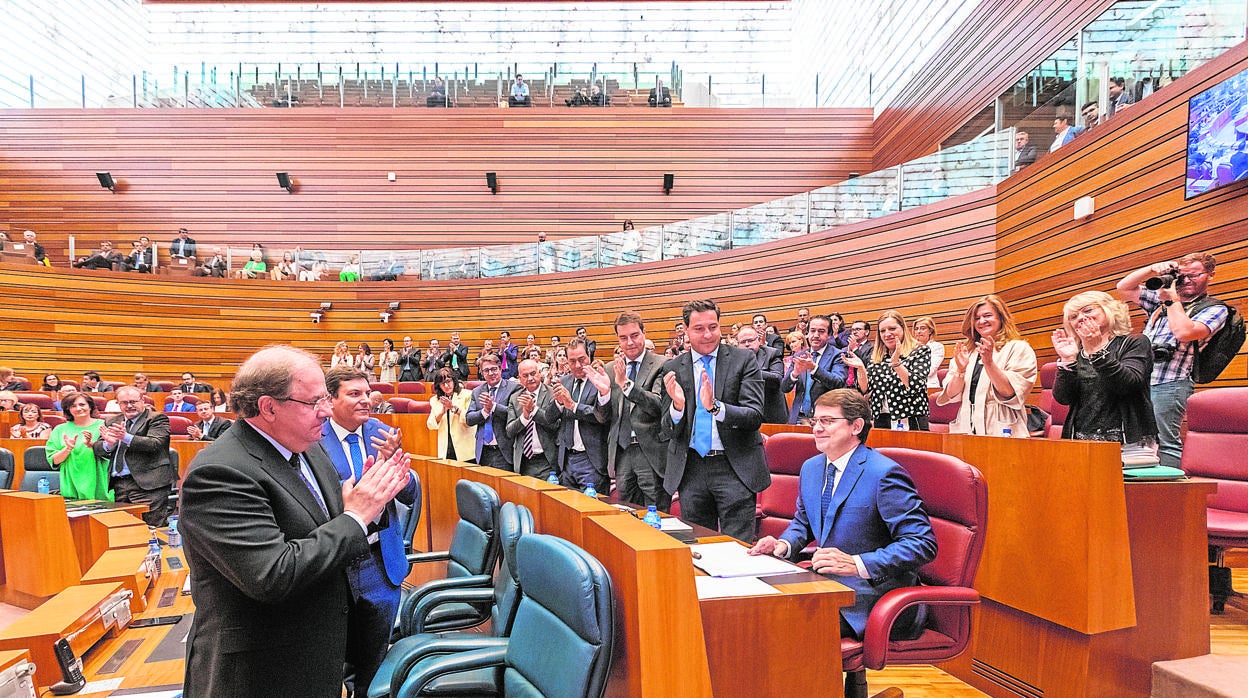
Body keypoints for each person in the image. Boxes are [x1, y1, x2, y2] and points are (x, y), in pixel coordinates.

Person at [179, 345, 411, 698]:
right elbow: (272, 573)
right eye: (314, 401)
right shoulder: (220, 473)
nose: (326, 410)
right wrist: (355, 516)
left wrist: (366, 505)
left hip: (317, 654)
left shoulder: (307, 448)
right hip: (263, 672)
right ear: (269, 407)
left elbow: (323, 529)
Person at [748, 389, 937, 641]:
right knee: (751, 609)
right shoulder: (812, 467)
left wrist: (857, 563)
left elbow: (922, 544)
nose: (816, 428)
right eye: (814, 421)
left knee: (781, 625)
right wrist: (783, 544)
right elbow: (803, 523)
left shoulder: (884, 474)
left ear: (856, 426)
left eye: (827, 421)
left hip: (875, 597)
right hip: (826, 584)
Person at [318, 365, 415, 695]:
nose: (365, 400)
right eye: (354, 394)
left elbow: (411, 492)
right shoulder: (314, 439)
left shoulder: (381, 432)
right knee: (336, 656)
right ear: (331, 400)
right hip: (337, 563)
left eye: (366, 393)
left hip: (380, 561)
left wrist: (394, 467)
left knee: (374, 662)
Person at [660, 299, 768, 542]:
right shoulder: (673, 367)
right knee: (699, 546)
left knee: (737, 549)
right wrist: (677, 407)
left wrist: (715, 407)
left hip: (734, 467)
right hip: (692, 469)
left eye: (713, 327)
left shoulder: (744, 360)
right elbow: (665, 428)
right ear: (686, 331)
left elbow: (754, 415)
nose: (707, 334)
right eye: (699, 329)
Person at [1116, 253, 1229, 467]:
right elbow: (1124, 287)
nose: (1186, 280)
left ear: (1210, 275)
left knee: (1165, 442)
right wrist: (1152, 269)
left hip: (1171, 383)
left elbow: (1184, 332)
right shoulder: (1159, 302)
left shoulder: (1214, 309)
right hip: (1142, 380)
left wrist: (1171, 300)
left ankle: (1169, 492)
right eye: (1182, 275)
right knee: (1136, 438)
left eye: (1194, 275)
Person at [1051, 291, 1157, 458]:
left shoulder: (1135, 343)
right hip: (1081, 442)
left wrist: (1097, 351)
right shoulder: (1077, 354)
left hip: (1128, 445)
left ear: (1109, 310)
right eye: (1073, 316)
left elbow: (1128, 384)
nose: (1080, 318)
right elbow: (1064, 398)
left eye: (1088, 310)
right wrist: (1068, 360)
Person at [936, 295, 1038, 437]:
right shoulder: (967, 352)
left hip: (1003, 429)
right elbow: (950, 394)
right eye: (977, 318)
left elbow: (1009, 392)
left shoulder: (1018, 348)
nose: (982, 321)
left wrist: (989, 363)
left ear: (1001, 318)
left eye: (987, 315)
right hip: (967, 427)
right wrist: (960, 371)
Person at [607, 312, 669, 509]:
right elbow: (604, 416)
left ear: (644, 333)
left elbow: (659, 405)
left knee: (655, 513)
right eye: (623, 338)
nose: (630, 342)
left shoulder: (662, 364)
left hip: (650, 451)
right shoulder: (611, 369)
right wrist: (601, 396)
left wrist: (627, 385)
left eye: (634, 335)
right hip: (623, 451)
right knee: (626, 512)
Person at [94, 385, 173, 525]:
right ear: (118, 403)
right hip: (120, 484)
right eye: (124, 403)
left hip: (149, 485)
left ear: (142, 400)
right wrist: (110, 444)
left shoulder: (157, 419)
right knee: (124, 529)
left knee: (152, 530)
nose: (129, 406)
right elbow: (98, 448)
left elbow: (155, 444)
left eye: (133, 401)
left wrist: (125, 437)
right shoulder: (112, 421)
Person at [543, 338, 613, 491]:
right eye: (572, 361)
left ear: (589, 356)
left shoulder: (600, 381)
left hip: (591, 460)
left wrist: (573, 406)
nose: (578, 366)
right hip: (566, 460)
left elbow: (601, 416)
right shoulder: (564, 381)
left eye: (582, 359)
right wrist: (559, 403)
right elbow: (549, 417)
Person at [844, 310, 932, 430]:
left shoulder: (920, 351)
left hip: (911, 417)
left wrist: (896, 364)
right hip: (882, 417)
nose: (887, 334)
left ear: (902, 328)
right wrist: (861, 369)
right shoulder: (877, 355)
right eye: (883, 331)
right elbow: (866, 389)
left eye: (892, 329)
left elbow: (915, 384)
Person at [781, 314, 848, 424]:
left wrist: (814, 369)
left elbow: (838, 383)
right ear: (807, 334)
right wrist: (795, 374)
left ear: (829, 335)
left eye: (821, 331)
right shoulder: (799, 356)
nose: (816, 335)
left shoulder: (838, 355)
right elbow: (784, 387)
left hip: (824, 419)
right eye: (812, 331)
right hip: (798, 418)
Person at [47, 392, 109, 500]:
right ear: (68, 410)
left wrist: (91, 445)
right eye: (73, 406)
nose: (78, 408)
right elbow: (54, 461)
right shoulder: (59, 429)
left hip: (100, 480)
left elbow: (112, 452)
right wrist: (68, 449)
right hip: (71, 483)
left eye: (82, 404)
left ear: (90, 406)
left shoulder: (104, 426)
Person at [506, 359, 560, 480]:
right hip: (524, 462)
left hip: (547, 460)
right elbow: (509, 431)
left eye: (533, 373)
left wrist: (534, 410)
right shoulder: (515, 398)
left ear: (539, 373)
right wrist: (524, 417)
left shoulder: (552, 394)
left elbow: (556, 424)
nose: (530, 378)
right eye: (525, 376)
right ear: (519, 378)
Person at [466, 354, 519, 469]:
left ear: (500, 369)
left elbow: (514, 414)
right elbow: (469, 419)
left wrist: (493, 407)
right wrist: (485, 411)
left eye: (494, 369)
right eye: (486, 370)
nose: (491, 373)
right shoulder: (477, 391)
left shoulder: (513, 388)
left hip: (503, 451)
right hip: (483, 452)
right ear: (482, 373)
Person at [737, 325, 788, 425]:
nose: (747, 344)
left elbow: (777, 379)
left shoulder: (772, 353)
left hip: (771, 413)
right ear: (737, 345)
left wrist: (751, 371)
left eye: (751, 340)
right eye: (743, 342)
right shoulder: (733, 358)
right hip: (744, 414)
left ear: (758, 340)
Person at [426, 368, 475, 462]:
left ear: (454, 380)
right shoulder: (435, 400)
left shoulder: (467, 395)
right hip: (445, 447)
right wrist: (441, 413)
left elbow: (470, 420)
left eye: (448, 381)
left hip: (465, 447)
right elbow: (430, 425)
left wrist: (453, 408)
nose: (446, 385)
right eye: (442, 383)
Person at [913, 316, 945, 389]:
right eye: (916, 329)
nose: (919, 331)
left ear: (930, 331)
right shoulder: (910, 348)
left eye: (923, 328)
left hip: (929, 386)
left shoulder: (937, 347)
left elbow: (929, 371)